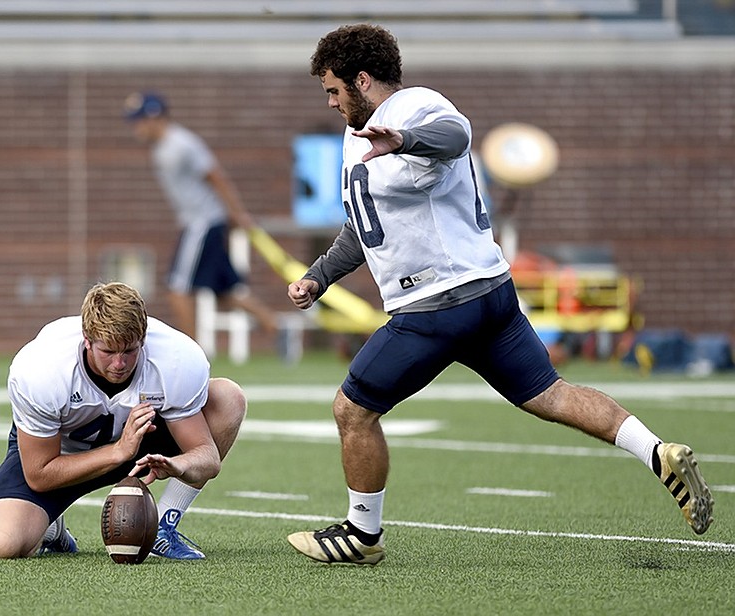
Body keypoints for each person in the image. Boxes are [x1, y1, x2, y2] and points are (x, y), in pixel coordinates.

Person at [285, 24, 714, 565]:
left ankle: (363, 536)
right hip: (488, 293)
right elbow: (364, 224)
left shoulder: (414, 107)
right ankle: (657, 451)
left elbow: (455, 136)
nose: (329, 102)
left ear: (363, 80)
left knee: (353, 411)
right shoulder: (361, 131)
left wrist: (405, 140)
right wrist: (320, 276)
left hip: (437, 305)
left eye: (333, 90)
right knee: (551, 395)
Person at [0, 281, 247, 560]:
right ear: (87, 339)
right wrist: (118, 452)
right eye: (108, 351)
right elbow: (39, 475)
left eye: (129, 351)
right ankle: (51, 529)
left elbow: (208, 458)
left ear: (144, 338)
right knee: (0, 545)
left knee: (227, 398)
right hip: (62, 455)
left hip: (144, 446)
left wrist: (180, 464)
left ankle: (162, 528)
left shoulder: (176, 358)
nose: (119, 364)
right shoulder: (42, 369)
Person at [123, 91, 277, 340]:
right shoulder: (162, 148)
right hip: (201, 222)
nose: (135, 127)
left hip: (201, 223)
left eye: (139, 120)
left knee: (177, 288)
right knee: (226, 293)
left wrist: (237, 214)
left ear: (154, 117)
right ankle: (276, 326)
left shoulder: (181, 144)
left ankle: (190, 351)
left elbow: (215, 176)